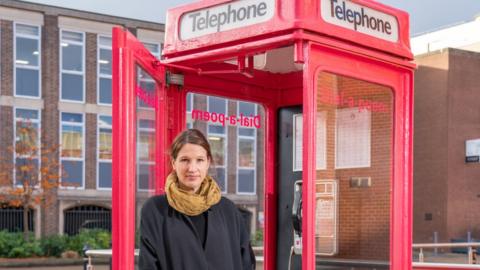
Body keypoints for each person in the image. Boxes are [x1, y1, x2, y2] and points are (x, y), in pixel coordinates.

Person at [139, 129, 256, 270]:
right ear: (174, 163)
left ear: (208, 163)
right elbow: (149, 265)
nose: (192, 168)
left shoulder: (228, 210)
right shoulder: (155, 210)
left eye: (199, 160)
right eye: (185, 160)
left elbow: (246, 263)